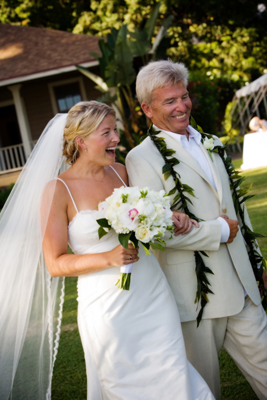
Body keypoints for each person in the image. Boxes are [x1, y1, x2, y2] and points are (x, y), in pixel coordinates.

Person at [0, 101, 215, 400]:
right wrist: (107, 258)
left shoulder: (122, 172)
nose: (116, 138)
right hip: (106, 306)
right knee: (123, 382)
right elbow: (55, 263)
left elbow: (148, 215)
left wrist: (170, 216)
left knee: (171, 369)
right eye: (107, 133)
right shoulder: (58, 189)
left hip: (151, 291)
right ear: (81, 141)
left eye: (115, 130)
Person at [126, 60, 267, 400]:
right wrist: (217, 231)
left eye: (184, 96)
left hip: (244, 286)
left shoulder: (211, 141)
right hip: (193, 297)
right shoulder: (140, 158)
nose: (182, 106)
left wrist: (257, 263)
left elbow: (237, 209)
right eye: (170, 101)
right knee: (202, 390)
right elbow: (155, 230)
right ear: (147, 108)